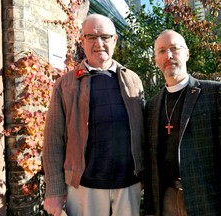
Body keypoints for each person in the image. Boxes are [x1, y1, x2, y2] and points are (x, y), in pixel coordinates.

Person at [43, 14, 145, 216]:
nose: (99, 43)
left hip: (128, 185)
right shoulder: (66, 84)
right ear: (82, 41)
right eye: (91, 37)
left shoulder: (132, 79)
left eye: (105, 37)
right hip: (85, 187)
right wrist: (54, 191)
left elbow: (144, 132)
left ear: (115, 40)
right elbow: (53, 140)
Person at [144, 29, 221, 215]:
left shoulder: (214, 93)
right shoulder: (152, 106)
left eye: (174, 48)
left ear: (186, 53)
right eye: (161, 51)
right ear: (155, 59)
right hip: (166, 200)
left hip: (206, 203)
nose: (168, 55)